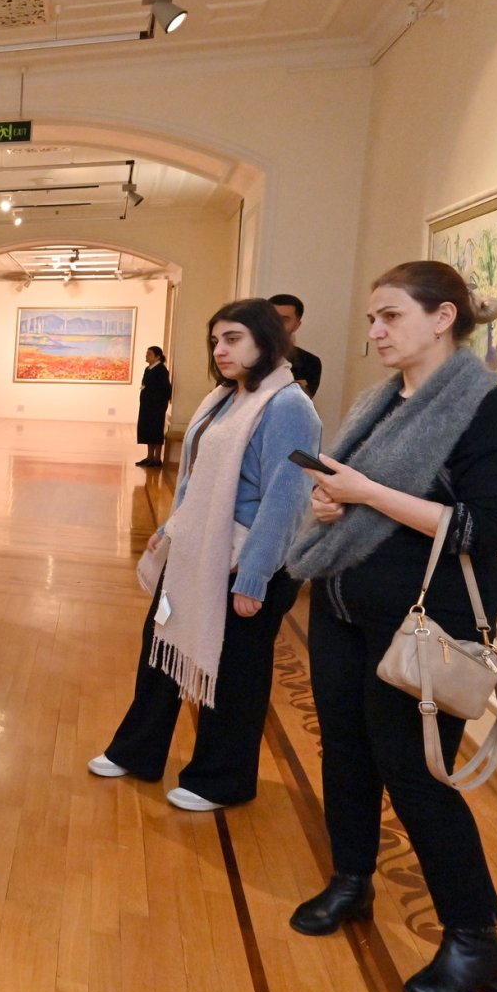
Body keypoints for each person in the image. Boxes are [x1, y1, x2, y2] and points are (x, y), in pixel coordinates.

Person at [285, 261, 497, 992]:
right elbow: (358, 496)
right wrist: (333, 505)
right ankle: (352, 879)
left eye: (390, 316)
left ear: (443, 317)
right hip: (344, 603)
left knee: (417, 773)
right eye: (372, 318)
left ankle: (474, 939)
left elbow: (488, 529)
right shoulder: (380, 400)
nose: (376, 331)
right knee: (345, 751)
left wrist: (367, 493)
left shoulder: (486, 410)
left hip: (427, 620)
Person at [89, 299, 319, 811]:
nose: (220, 350)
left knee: (235, 674)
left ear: (266, 340)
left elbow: (286, 499)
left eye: (233, 339)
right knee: (160, 648)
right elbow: (198, 475)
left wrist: (254, 577)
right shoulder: (225, 397)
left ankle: (221, 779)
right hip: (198, 547)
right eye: (216, 340)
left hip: (247, 561)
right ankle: (138, 751)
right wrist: (170, 526)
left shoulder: (289, 406)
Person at [270, 292, 322, 399]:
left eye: (284, 320)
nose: (276, 324)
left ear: (296, 325)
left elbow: (298, 402)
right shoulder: (245, 355)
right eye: (272, 318)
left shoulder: (309, 363)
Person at [135, 345, 172, 467]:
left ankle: (156, 458)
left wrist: (158, 403)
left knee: (156, 430)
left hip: (156, 407)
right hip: (147, 406)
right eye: (147, 353)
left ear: (157, 357)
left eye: (149, 354)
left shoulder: (161, 370)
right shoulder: (148, 369)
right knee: (147, 430)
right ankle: (149, 456)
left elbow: (166, 390)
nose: (146, 356)